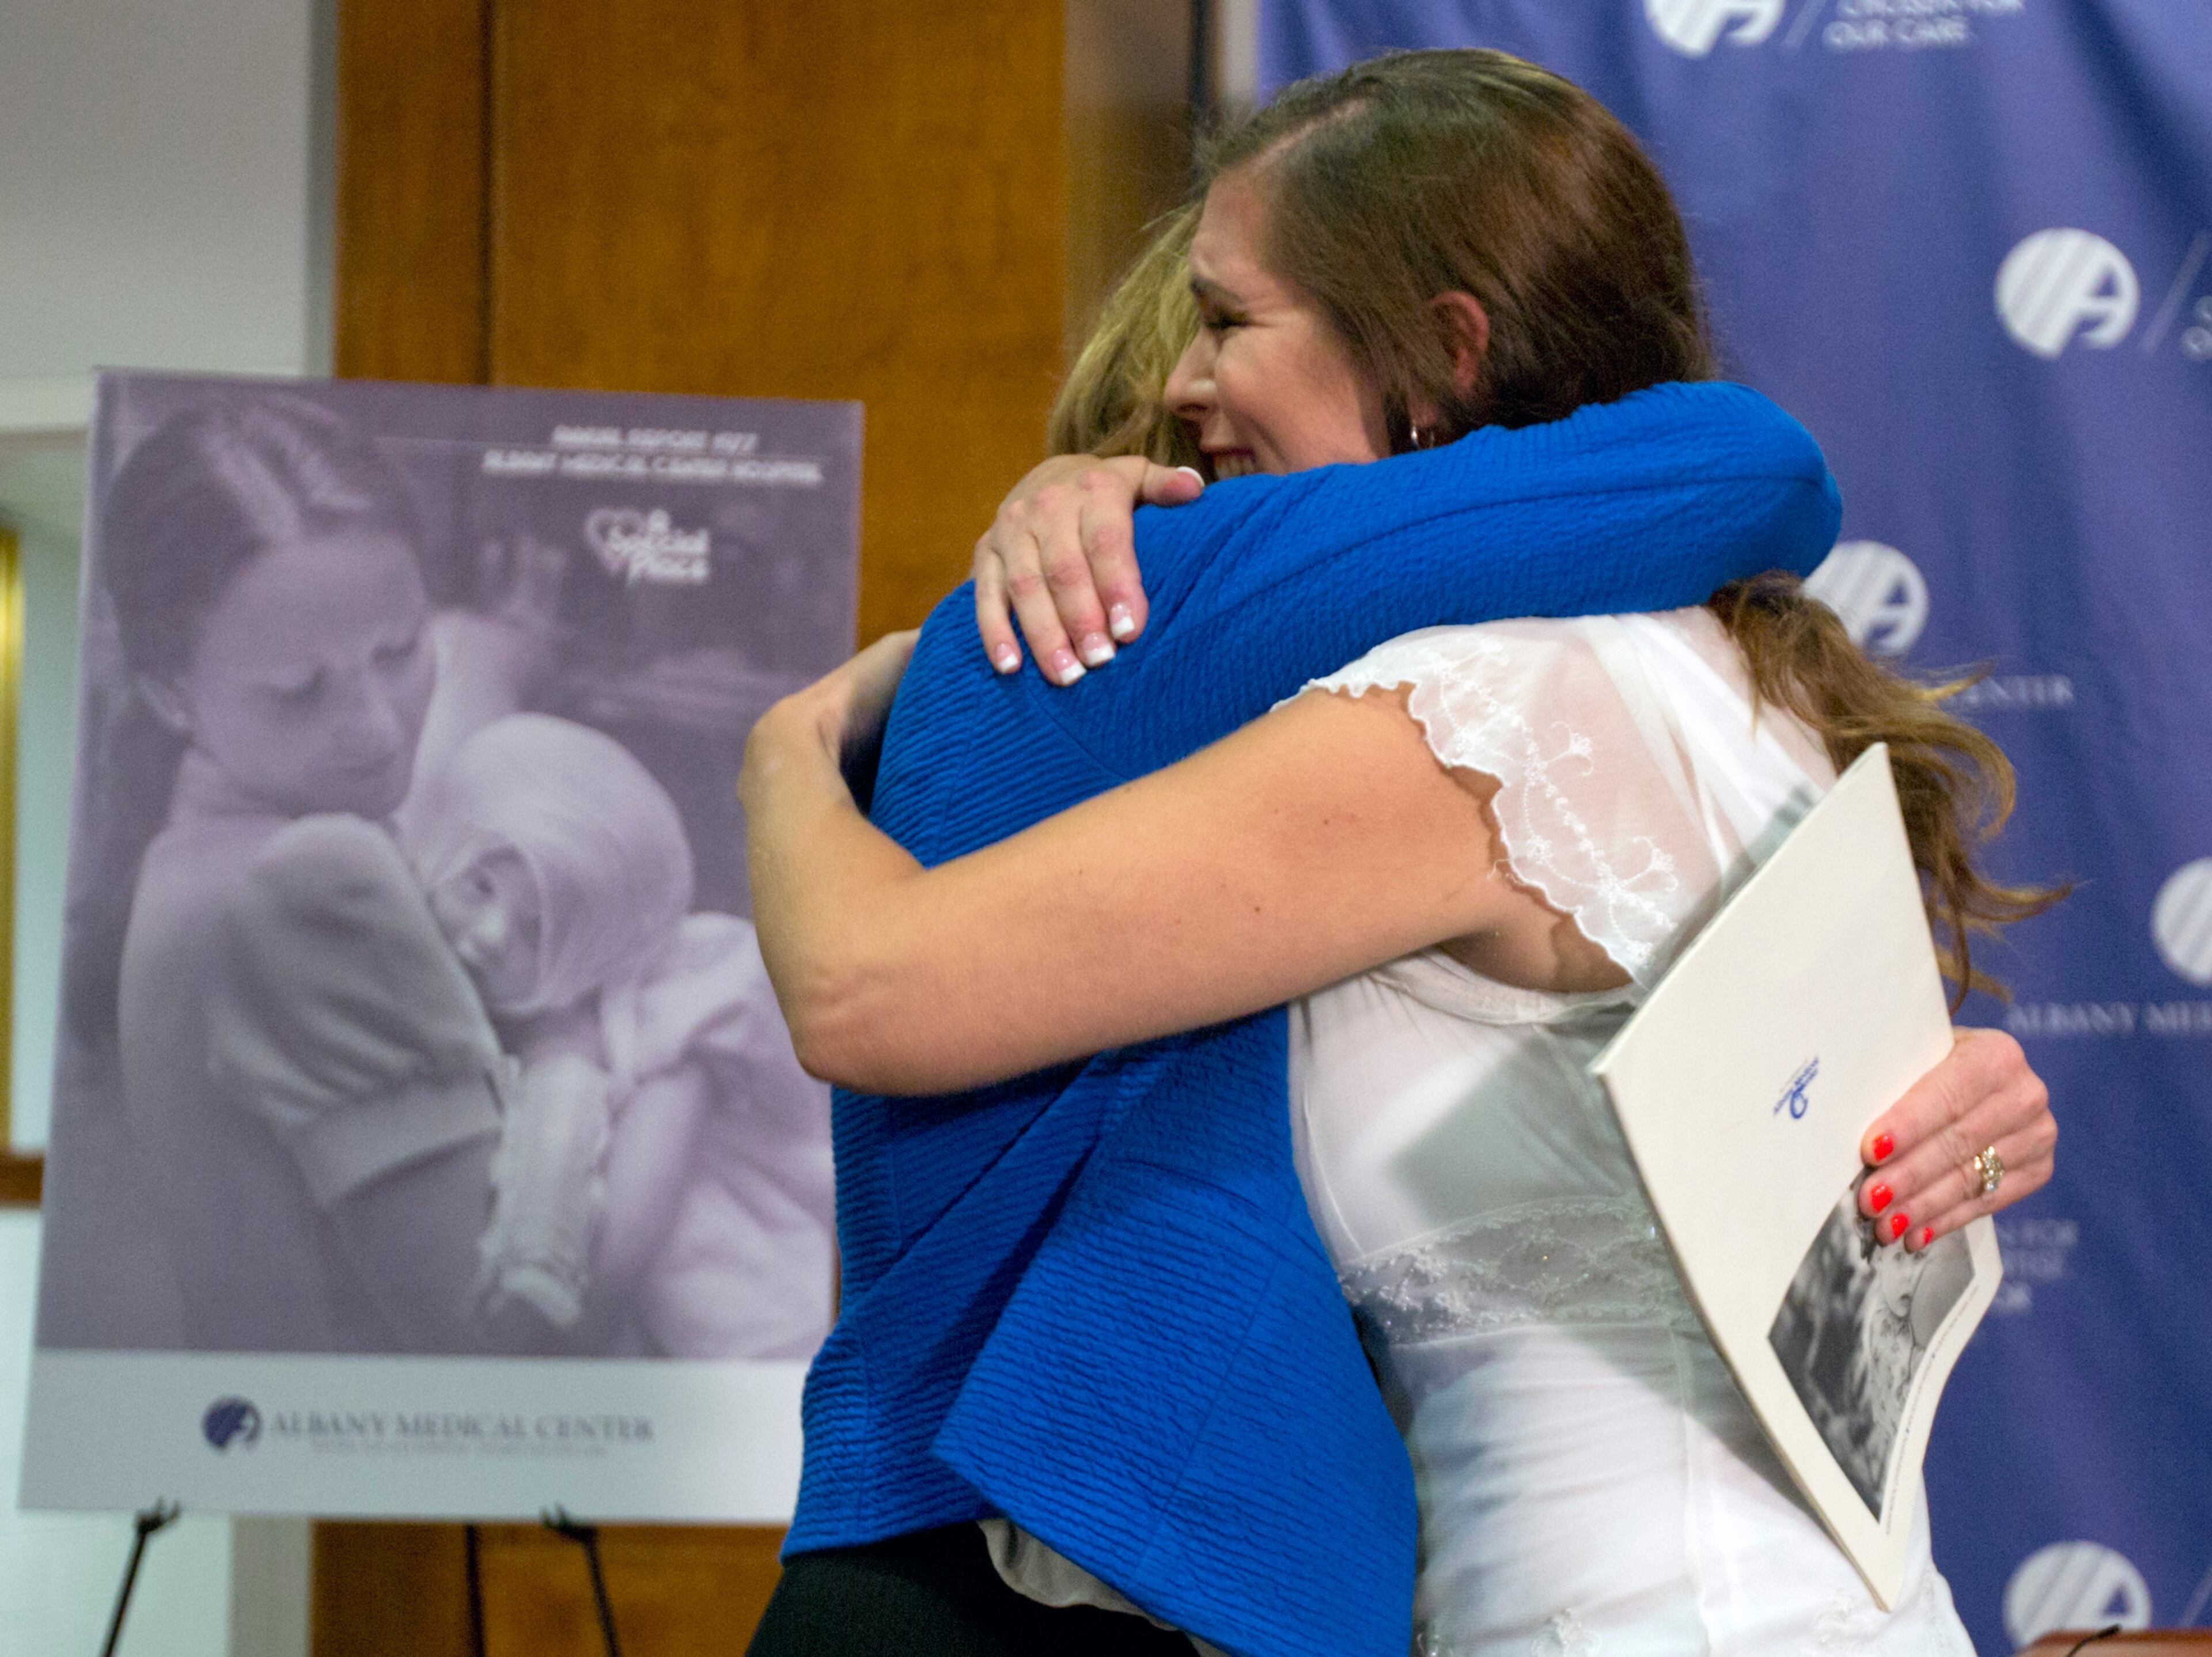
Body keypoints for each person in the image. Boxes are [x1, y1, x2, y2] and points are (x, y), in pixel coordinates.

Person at [740, 51, 2059, 1657]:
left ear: (1442, 358)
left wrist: (789, 753)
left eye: (1229, 323)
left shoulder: (1472, 717)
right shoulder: (1745, 679)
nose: (1180, 387)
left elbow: (871, 989)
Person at [82, 395, 521, 1353]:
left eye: (400, 651)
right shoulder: (314, 875)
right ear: (169, 693)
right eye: (298, 688)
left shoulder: (181, 856)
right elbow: (508, 1328)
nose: (374, 721)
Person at [403, 712, 834, 1359]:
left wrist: (549, 1339)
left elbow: (609, 1253)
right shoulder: (450, 993)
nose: (491, 934)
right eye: (479, 887)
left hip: (761, 1333)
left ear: (590, 945)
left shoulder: (654, 1029)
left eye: (536, 930)